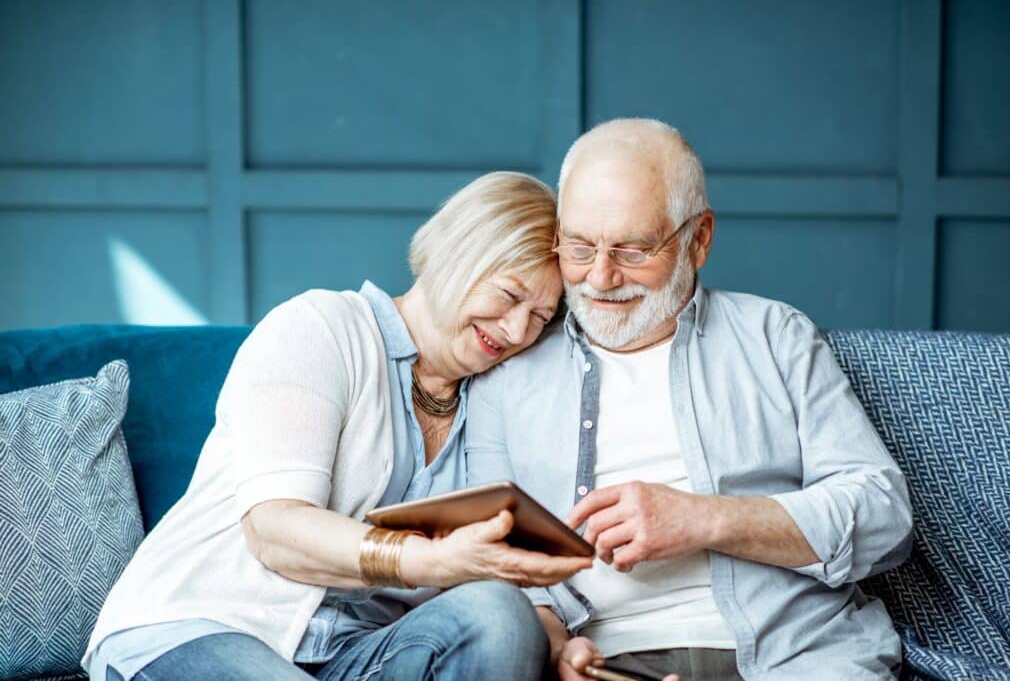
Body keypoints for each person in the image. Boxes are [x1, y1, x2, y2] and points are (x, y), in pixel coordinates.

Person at [83, 171, 593, 681]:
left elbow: (512, 575)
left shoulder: (490, 404)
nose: (516, 330)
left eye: (540, 317)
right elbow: (275, 530)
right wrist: (428, 560)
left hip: (355, 655)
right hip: (205, 623)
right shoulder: (320, 326)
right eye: (508, 295)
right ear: (456, 252)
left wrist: (555, 645)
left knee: (499, 616)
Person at [467, 119, 914, 680]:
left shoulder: (776, 336)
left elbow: (883, 515)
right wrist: (554, 642)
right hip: (610, 665)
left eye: (632, 249)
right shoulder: (508, 374)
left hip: (796, 655)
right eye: (580, 247)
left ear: (698, 239)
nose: (601, 278)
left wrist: (705, 519)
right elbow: (493, 556)